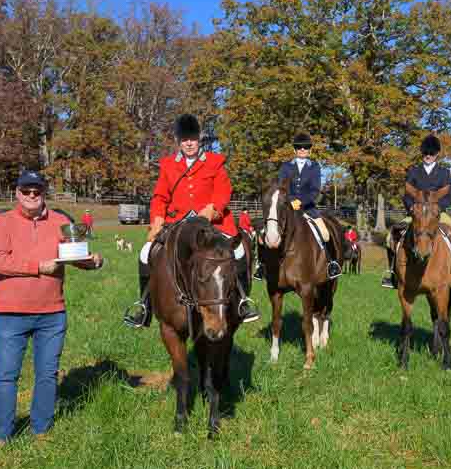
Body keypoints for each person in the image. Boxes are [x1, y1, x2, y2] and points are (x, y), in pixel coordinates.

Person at [0, 171, 103, 449]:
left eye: (36, 191)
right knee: (6, 376)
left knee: (47, 374)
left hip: (52, 313)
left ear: (43, 193)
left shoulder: (61, 222)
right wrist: (37, 267)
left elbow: (72, 254)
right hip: (10, 314)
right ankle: (1, 435)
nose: (31, 196)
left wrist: (92, 261)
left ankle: (42, 430)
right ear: (17, 193)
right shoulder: (2, 222)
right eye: (26, 191)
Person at [124, 114, 260, 327]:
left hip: (212, 224)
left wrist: (212, 209)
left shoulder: (215, 162)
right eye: (184, 139)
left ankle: (243, 300)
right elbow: (160, 197)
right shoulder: (168, 165)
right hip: (177, 224)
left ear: (199, 139)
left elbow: (224, 191)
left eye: (193, 138)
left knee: (240, 251)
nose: (189, 143)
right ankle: (145, 306)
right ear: (178, 141)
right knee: (144, 253)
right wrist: (157, 220)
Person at [382, 134, 451, 288]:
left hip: (437, 214)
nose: (428, 156)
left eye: (431, 153)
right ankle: (392, 274)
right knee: (390, 237)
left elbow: (448, 194)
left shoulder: (444, 172)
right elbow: (407, 195)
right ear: (422, 153)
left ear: (437, 154)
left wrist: (439, 208)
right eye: (426, 153)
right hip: (416, 214)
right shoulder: (413, 171)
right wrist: (411, 208)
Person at [273, 132, 342, 279]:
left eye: (305, 147)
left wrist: (301, 202)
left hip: (309, 208)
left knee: (325, 234)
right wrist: (291, 200)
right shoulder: (285, 167)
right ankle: (264, 265)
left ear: (310, 150)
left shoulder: (315, 167)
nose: (302, 150)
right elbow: (282, 187)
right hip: (287, 208)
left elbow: (315, 190)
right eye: (299, 147)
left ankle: (331, 264)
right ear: (294, 150)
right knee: (268, 231)